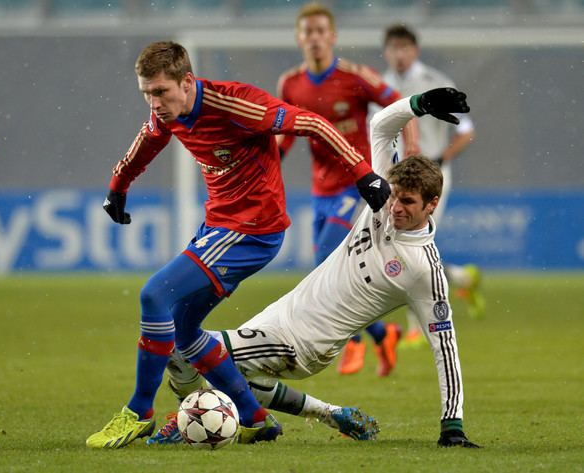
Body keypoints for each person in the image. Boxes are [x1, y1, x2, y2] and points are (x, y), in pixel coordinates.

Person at [86, 40, 391, 449]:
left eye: (160, 92)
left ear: (187, 81)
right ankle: (255, 417)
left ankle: (138, 411)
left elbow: (314, 123)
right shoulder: (169, 113)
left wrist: (363, 173)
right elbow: (147, 141)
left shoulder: (238, 105)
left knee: (153, 296)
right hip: (222, 224)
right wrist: (118, 186)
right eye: (147, 93)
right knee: (183, 329)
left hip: (251, 229)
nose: (154, 102)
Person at [150, 88, 480, 448]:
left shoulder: (424, 270)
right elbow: (382, 127)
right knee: (231, 378)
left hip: (304, 342)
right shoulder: (385, 200)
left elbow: (444, 347)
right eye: (395, 196)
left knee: (177, 346)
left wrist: (453, 426)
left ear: (433, 205)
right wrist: (418, 105)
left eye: (408, 202)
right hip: (279, 316)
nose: (395, 207)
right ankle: (323, 413)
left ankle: (186, 421)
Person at [277, 2, 420, 377]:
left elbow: (401, 107)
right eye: (308, 32)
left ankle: (353, 341)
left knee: (327, 260)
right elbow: (284, 141)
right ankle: (381, 332)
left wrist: (413, 150)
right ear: (299, 38)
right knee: (327, 268)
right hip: (321, 191)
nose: (315, 38)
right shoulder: (291, 84)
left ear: (332, 36)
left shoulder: (356, 77)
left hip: (360, 186)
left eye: (321, 31)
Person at [372, 23, 484, 351]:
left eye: (404, 48)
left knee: (409, 245)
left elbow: (467, 130)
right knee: (405, 246)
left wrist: (441, 158)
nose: (399, 55)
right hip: (397, 178)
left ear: (414, 51)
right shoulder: (380, 87)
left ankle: (416, 328)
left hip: (433, 176)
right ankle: (463, 278)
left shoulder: (436, 83)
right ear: (387, 52)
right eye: (394, 49)